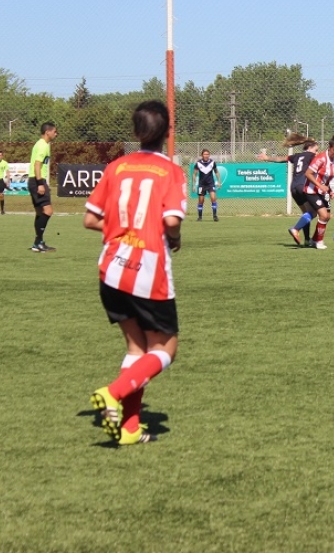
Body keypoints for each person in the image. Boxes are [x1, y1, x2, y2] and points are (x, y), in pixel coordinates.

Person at [86, 100, 187, 445]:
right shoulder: (171, 171)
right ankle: (113, 392)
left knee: (136, 348)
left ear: (135, 132)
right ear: (167, 133)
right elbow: (171, 220)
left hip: (110, 267)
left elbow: (90, 219)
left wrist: (119, 232)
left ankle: (129, 429)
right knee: (166, 348)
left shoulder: (116, 167)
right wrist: (174, 238)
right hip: (147, 268)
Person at [258, 133, 319, 246]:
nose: (317, 152)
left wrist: (267, 158)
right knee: (313, 212)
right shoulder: (312, 156)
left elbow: (281, 159)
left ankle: (306, 240)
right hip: (303, 186)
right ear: (310, 148)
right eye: (316, 150)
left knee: (305, 214)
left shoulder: (297, 156)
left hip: (294, 187)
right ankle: (295, 229)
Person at [304, 135, 334, 250]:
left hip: (322, 191)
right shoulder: (320, 158)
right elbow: (308, 173)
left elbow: (327, 178)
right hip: (311, 190)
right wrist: (320, 185)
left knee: (328, 216)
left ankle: (314, 239)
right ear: (329, 148)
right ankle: (319, 242)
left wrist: (329, 190)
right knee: (323, 215)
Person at [28, 122, 58, 252]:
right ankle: (37, 242)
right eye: (54, 131)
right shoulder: (42, 145)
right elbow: (37, 165)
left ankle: (39, 242)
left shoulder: (43, 144)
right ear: (48, 132)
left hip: (33, 180)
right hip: (37, 181)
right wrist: (40, 183)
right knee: (48, 211)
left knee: (40, 213)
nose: (56, 134)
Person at [192, 149, 221, 221]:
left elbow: (216, 172)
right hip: (202, 185)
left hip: (210, 184)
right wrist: (193, 185)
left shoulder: (212, 162)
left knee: (213, 198)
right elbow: (194, 174)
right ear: (202, 155)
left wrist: (219, 181)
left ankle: (215, 216)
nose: (206, 155)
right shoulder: (198, 163)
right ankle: (200, 217)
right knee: (201, 200)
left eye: (207, 154)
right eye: (205, 154)